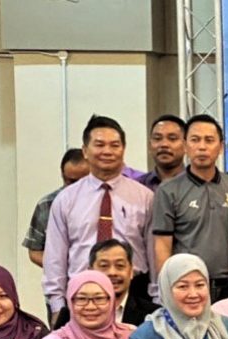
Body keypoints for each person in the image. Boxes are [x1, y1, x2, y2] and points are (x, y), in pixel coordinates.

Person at [44, 116, 154, 325]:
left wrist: (156, 299)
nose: (107, 151)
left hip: (134, 294)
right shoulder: (66, 199)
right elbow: (55, 258)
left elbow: (152, 253)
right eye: (100, 145)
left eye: (115, 145)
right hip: (81, 295)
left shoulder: (145, 197)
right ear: (85, 151)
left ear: (123, 149)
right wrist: (57, 306)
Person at [152, 114, 228, 302]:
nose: (202, 147)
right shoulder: (168, 190)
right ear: (185, 146)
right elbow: (162, 245)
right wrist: (167, 288)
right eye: (195, 140)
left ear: (220, 147)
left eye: (209, 140)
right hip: (188, 285)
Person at [52, 239, 158, 330]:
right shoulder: (71, 313)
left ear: (131, 272)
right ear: (90, 271)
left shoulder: (152, 314)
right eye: (104, 266)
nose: (112, 272)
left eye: (120, 265)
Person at [23, 149, 89, 268]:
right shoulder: (47, 205)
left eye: (84, 181)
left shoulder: (105, 202)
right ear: (62, 175)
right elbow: (35, 251)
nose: (77, 187)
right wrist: (59, 267)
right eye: (72, 181)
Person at [136, 115, 187, 191]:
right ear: (149, 146)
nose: (164, 144)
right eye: (157, 138)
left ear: (186, 146)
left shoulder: (199, 185)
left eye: (172, 139)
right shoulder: (138, 186)